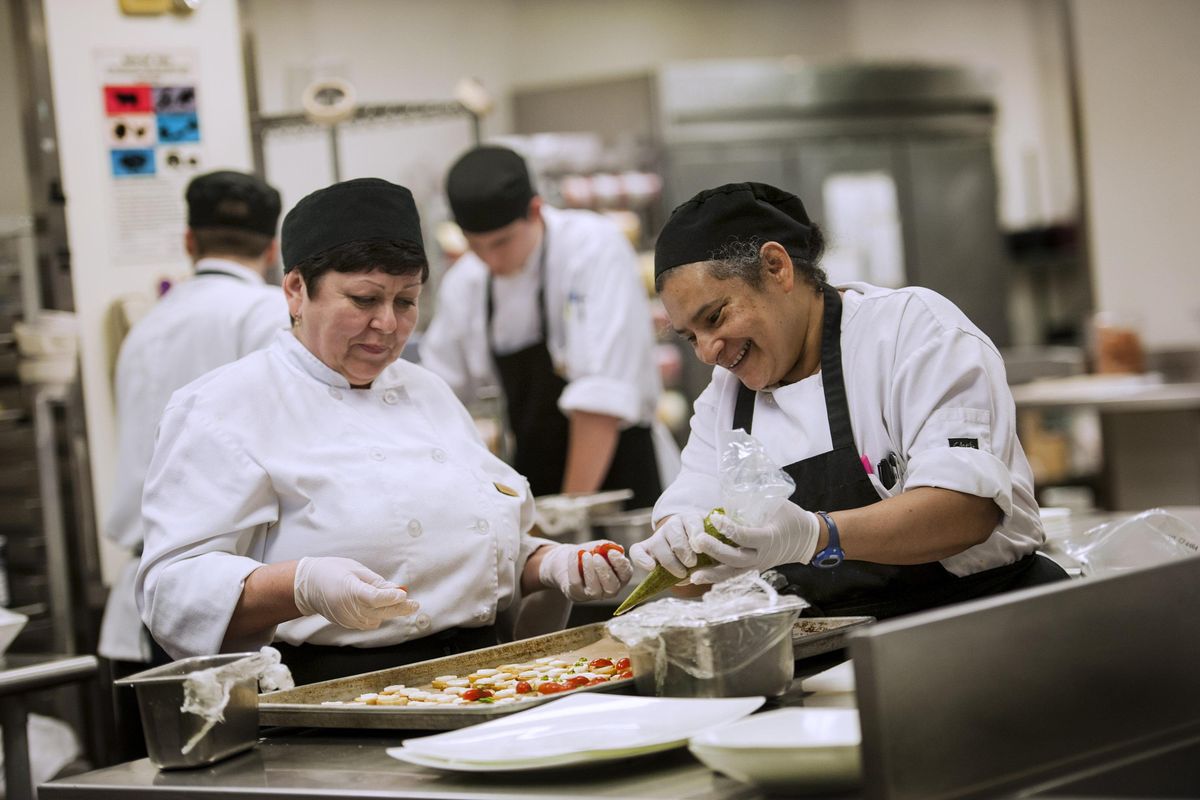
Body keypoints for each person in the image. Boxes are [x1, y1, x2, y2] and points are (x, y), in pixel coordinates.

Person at [135, 177, 632, 685]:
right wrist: (299, 585)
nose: (388, 324)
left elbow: (475, 551)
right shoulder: (224, 407)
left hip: (485, 678)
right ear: (295, 290)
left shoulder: (427, 391)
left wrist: (547, 564)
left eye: (405, 301)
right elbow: (170, 591)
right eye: (364, 299)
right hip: (338, 698)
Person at [630, 182, 1067, 620]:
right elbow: (689, 557)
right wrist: (675, 549)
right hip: (836, 646)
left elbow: (967, 511)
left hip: (980, 620)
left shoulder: (911, 332)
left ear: (775, 267)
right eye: (691, 337)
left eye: (715, 317)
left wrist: (815, 535)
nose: (707, 352)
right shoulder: (723, 399)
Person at [100, 170, 287, 665]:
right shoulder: (267, 313)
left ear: (188, 241)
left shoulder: (148, 326)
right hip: (228, 602)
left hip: (142, 603)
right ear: (272, 249)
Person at [421, 146, 674, 509]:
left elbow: (601, 399)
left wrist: (569, 515)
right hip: (534, 473)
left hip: (622, 472)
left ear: (536, 210)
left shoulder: (592, 248)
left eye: (501, 243)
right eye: (475, 246)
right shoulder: (467, 283)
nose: (490, 259)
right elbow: (437, 395)